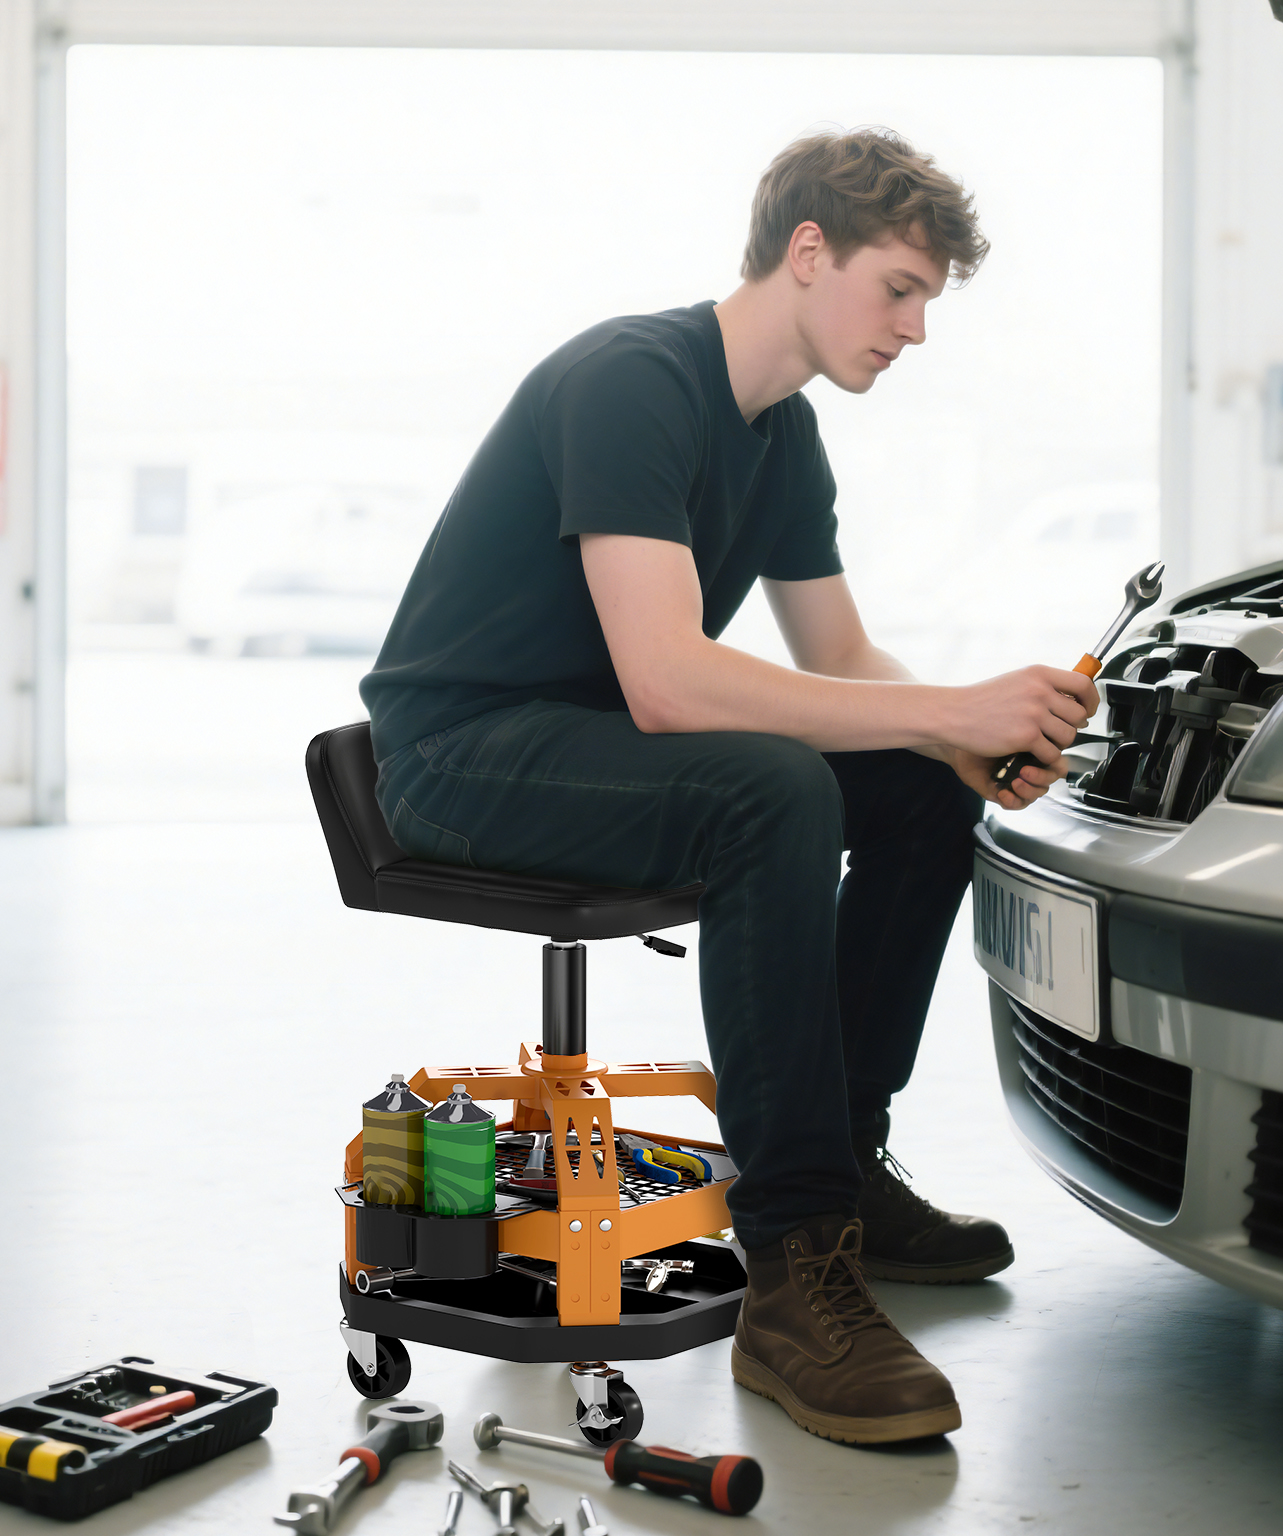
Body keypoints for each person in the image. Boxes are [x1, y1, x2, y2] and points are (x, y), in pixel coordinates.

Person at [361, 127, 1099, 1444]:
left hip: (597, 750)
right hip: (461, 756)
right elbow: (669, 684)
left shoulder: (787, 437)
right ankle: (793, 1263)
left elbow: (843, 659)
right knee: (774, 790)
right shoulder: (634, 383)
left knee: (921, 791)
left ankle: (847, 1157)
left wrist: (966, 740)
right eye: (901, 287)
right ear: (808, 252)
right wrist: (946, 711)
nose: (919, 328)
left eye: (930, 299)